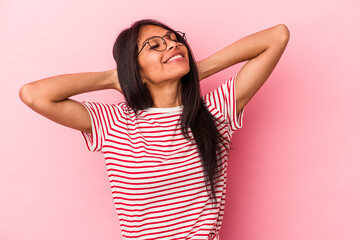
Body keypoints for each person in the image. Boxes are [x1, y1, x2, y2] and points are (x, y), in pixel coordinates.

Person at [19, 19, 289, 240]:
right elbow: (33, 94)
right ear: (135, 68)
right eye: (155, 45)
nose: (173, 44)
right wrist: (115, 78)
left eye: (175, 39)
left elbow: (277, 36)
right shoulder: (112, 122)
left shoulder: (215, 112)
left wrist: (196, 70)